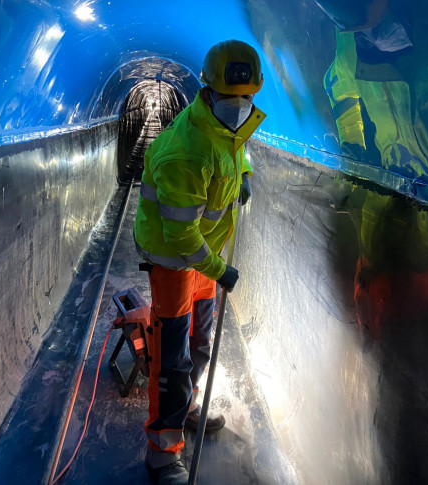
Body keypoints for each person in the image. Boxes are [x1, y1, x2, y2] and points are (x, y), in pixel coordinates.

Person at [133, 40, 266, 485]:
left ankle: (188, 407)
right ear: (206, 91)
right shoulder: (183, 152)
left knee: (199, 342)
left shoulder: (225, 128)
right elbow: (182, 237)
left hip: (201, 257)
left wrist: (243, 176)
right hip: (176, 261)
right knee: (171, 362)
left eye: (246, 98)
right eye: (231, 98)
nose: (239, 106)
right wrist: (221, 271)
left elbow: (235, 151)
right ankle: (162, 453)